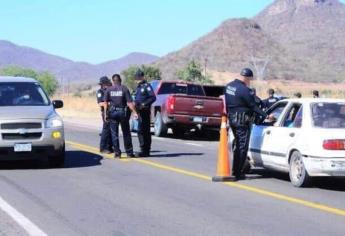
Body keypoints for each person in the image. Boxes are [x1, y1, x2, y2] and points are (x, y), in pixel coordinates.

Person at [225, 68, 267, 180]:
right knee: (242, 147)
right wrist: (266, 115)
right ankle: (237, 173)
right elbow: (253, 106)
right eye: (250, 79)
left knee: (238, 145)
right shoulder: (245, 90)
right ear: (247, 78)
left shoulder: (229, 86)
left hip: (232, 120)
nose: (250, 82)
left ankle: (235, 169)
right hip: (242, 122)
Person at [104, 76, 138, 158]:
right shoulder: (124, 89)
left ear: (113, 81)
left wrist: (105, 114)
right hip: (123, 113)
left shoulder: (109, 90)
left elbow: (105, 103)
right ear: (120, 80)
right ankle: (129, 153)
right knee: (126, 133)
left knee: (114, 134)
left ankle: (117, 153)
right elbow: (130, 103)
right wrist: (134, 112)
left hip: (112, 113)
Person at [134, 69, 156, 157]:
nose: (137, 79)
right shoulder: (138, 87)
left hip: (145, 112)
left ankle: (146, 150)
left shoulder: (147, 86)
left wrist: (144, 104)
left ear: (143, 77)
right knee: (140, 131)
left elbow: (153, 98)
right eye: (136, 78)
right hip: (139, 112)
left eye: (139, 78)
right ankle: (143, 149)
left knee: (144, 131)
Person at [97, 76, 113, 154]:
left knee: (110, 130)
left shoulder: (110, 90)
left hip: (112, 111)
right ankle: (103, 147)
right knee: (106, 130)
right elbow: (100, 103)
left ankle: (109, 147)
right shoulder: (100, 92)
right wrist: (108, 103)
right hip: (105, 112)